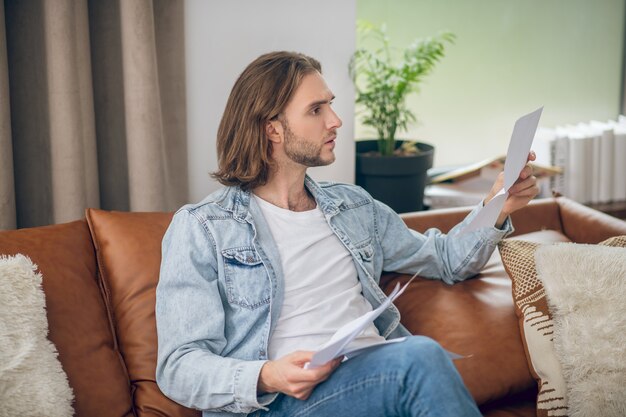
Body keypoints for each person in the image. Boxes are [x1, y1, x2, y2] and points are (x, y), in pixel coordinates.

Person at [155, 51, 538, 417]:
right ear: (273, 128)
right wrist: (268, 375)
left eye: (330, 105)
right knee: (420, 358)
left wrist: (497, 204)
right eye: (316, 110)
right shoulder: (204, 228)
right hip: (279, 404)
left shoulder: (353, 207)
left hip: (373, 382)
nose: (336, 121)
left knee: (415, 363)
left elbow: (446, 260)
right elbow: (178, 366)